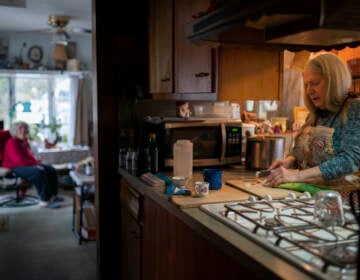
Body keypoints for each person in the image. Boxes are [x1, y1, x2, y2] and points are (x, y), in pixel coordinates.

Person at [266, 53, 360, 189]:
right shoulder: (314, 115)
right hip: (309, 195)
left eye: (315, 83)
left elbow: (350, 160)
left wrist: (297, 176)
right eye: (306, 85)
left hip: (341, 200)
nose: (309, 90)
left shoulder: (354, 110)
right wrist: (290, 161)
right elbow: (304, 152)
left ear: (334, 82)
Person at [2, 121, 63, 208]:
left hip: (24, 164)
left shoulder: (24, 141)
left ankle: (53, 195)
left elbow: (30, 157)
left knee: (50, 168)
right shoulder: (11, 142)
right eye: (20, 129)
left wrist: (37, 162)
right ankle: (45, 200)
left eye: (25, 129)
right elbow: (18, 160)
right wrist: (35, 165)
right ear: (15, 131)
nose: (23, 131)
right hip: (13, 167)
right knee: (38, 172)